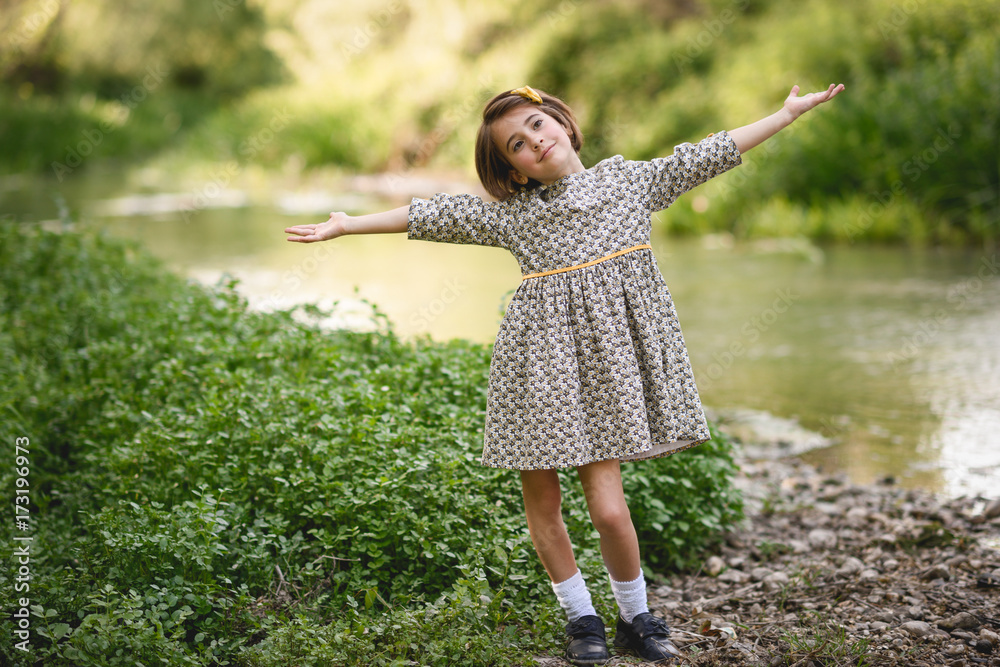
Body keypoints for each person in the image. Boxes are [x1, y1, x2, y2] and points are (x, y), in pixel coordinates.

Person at [284, 81, 844, 665]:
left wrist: (783, 115)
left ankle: (635, 614)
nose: (534, 143)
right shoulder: (518, 217)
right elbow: (435, 214)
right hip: (536, 373)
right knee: (543, 503)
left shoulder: (628, 183)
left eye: (537, 126)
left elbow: (708, 153)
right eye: (516, 146)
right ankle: (581, 616)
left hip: (602, 375)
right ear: (516, 170)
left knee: (607, 508)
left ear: (562, 123)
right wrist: (348, 224)